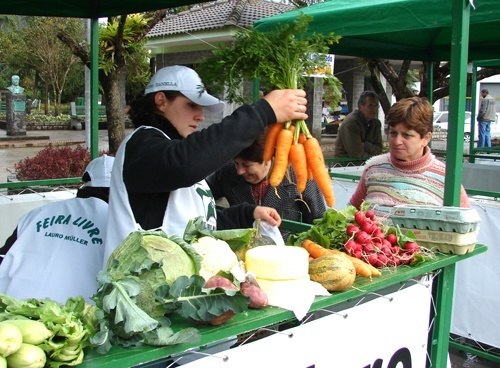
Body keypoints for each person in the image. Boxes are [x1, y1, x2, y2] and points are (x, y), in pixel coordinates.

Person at [104, 65, 308, 260]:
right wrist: (262, 113)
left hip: (180, 290)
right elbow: (183, 164)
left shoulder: (174, 150)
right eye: (191, 105)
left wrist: (247, 214)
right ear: (161, 101)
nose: (200, 116)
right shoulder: (141, 146)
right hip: (140, 290)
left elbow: (198, 223)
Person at [0, 155, 115, 303]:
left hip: (14, 310)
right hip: (76, 319)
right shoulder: (119, 225)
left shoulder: (36, 214)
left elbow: (3, 257)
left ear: (85, 182)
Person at [349, 97, 469, 218]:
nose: (397, 141)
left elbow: (464, 226)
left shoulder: (445, 179)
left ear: (426, 138)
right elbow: (351, 213)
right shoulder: (373, 169)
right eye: (393, 133)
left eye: (407, 135)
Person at [206, 134, 327, 238]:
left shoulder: (299, 176)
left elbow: (319, 220)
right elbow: (203, 196)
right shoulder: (227, 174)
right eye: (236, 163)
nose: (239, 171)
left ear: (268, 159)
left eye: (247, 165)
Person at [333, 90, 383, 163]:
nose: (374, 109)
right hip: (344, 167)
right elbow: (356, 154)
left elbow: (379, 149)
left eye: (376, 106)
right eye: (370, 105)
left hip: (367, 166)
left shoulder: (376, 123)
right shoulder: (351, 123)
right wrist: (374, 157)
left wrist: (364, 145)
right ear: (360, 106)